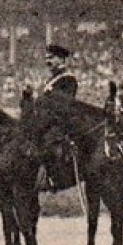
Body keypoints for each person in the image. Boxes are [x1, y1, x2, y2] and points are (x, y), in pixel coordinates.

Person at [38, 44, 79, 190]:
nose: (47, 61)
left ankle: (52, 177)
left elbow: (65, 104)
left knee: (48, 143)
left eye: (51, 58)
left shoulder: (68, 79)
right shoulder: (51, 80)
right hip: (46, 120)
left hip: (60, 122)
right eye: (46, 58)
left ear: (61, 59)